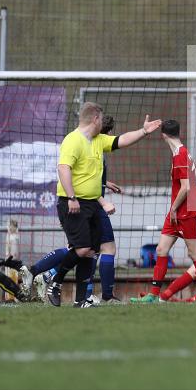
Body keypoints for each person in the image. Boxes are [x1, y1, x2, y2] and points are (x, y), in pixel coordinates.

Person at [45, 102, 161, 308]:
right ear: (95, 119)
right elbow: (63, 169)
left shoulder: (98, 140)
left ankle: (81, 299)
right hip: (73, 204)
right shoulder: (73, 140)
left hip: (91, 205)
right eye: (102, 118)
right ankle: (55, 280)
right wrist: (72, 197)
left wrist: (143, 131)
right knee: (81, 249)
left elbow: (121, 140)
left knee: (91, 252)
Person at [25, 115, 124, 302]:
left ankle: (51, 278)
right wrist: (103, 201)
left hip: (86, 203)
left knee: (84, 249)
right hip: (87, 204)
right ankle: (103, 295)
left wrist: (105, 184)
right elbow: (81, 181)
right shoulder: (90, 147)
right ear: (106, 133)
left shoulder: (93, 148)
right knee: (101, 248)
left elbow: (89, 179)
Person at [130, 119, 196, 303]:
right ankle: (153, 296)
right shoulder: (182, 152)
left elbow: (186, 187)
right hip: (178, 212)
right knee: (161, 250)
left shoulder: (180, 155)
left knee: (194, 253)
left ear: (163, 135)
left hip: (184, 212)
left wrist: (173, 209)